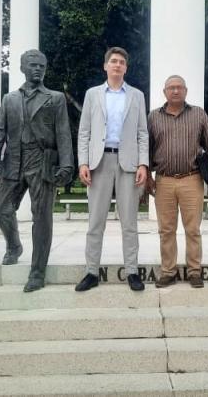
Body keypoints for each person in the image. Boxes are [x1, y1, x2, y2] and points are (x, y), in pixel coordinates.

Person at [0, 49, 73, 292]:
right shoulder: (9, 99)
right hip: (13, 161)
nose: (38, 69)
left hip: (41, 161)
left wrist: (66, 165)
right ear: (23, 68)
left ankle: (37, 272)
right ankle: (14, 246)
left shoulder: (54, 98)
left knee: (42, 217)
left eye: (42, 66)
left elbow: (63, 132)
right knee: (1, 210)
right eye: (33, 65)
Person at [75, 47, 149, 292]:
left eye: (121, 62)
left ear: (126, 68)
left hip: (128, 163)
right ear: (105, 66)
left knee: (130, 222)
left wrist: (143, 164)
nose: (117, 65)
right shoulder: (92, 94)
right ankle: (91, 272)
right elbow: (84, 131)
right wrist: (83, 162)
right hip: (99, 162)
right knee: (95, 222)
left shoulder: (136, 96)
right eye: (113, 61)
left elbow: (142, 133)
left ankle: (132, 272)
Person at [147, 75, 208, 289]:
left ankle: (194, 271)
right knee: (166, 230)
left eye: (179, 87)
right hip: (164, 181)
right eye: (171, 88)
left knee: (193, 229)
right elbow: (147, 148)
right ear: (164, 92)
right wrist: (146, 176)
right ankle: (168, 271)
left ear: (186, 91)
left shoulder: (198, 114)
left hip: (192, 178)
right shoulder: (153, 117)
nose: (175, 91)